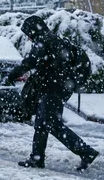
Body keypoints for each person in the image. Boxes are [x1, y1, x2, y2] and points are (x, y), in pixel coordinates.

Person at [6, 15, 99, 171]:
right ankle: (37, 158)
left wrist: (11, 76)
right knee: (42, 123)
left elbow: (30, 62)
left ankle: (86, 152)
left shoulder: (44, 41)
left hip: (53, 89)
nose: (28, 37)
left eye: (28, 33)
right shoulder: (54, 39)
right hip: (60, 88)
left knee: (52, 124)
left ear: (33, 30)